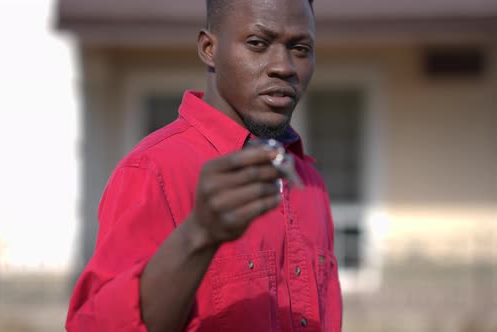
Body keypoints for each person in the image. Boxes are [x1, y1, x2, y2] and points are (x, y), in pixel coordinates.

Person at [65, 0, 342, 331]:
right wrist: (200, 233)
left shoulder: (307, 181)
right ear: (209, 48)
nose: (283, 66)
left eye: (300, 48)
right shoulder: (152, 171)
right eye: (258, 43)